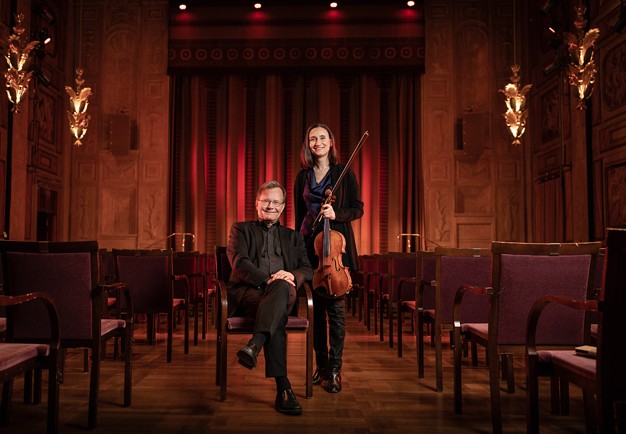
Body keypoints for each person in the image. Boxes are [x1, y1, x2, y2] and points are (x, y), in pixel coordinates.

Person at [227, 180, 313, 416]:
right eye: (266, 201)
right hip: (250, 293)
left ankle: (254, 345)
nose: (270, 206)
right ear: (257, 203)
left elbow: (307, 269)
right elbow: (239, 262)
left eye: (276, 202)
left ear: (284, 207)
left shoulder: (294, 237)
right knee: (276, 310)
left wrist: (292, 275)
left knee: (283, 288)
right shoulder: (241, 229)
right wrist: (267, 281)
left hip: (286, 291)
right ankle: (283, 387)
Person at [294, 123, 364, 393]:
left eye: (323, 137)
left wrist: (338, 214)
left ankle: (335, 370)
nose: (318, 142)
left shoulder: (344, 174)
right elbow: (300, 215)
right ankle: (320, 366)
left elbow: (357, 208)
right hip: (310, 248)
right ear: (308, 144)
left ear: (331, 142)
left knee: (335, 312)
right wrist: (298, 248)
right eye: (313, 138)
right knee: (315, 311)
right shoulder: (303, 177)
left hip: (334, 250)